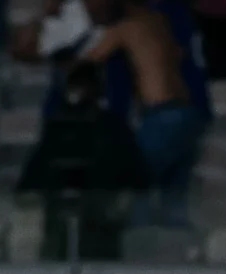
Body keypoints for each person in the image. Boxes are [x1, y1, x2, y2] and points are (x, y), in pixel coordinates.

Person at [77, 0, 198, 226]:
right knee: (174, 196)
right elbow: (178, 54)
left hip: (162, 113)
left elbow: (87, 61)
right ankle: (176, 252)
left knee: (137, 184)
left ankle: (138, 253)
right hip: (187, 113)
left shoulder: (125, 28)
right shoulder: (160, 21)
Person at [16, 60, 147, 259]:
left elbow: (139, 179)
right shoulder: (59, 128)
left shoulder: (112, 128)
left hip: (101, 229)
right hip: (61, 227)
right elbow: (30, 182)